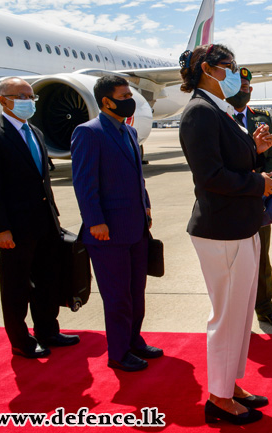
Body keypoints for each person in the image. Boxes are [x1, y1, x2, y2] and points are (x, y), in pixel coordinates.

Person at [178, 44, 272, 425]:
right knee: (226, 316)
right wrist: (258, 184)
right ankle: (217, 399)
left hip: (239, 227)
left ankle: (229, 384)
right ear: (208, 70)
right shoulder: (200, 113)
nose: (235, 73)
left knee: (239, 315)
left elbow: (227, 161)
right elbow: (210, 176)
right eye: (229, 66)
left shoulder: (219, 110)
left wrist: (255, 149)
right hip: (221, 231)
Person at [0, 77, 80, 358]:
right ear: (3, 100)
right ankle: (21, 341)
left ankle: (48, 330)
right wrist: (0, 229)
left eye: (31, 96)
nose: (29, 101)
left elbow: (42, 181)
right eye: (22, 96)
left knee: (48, 280)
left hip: (46, 222)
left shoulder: (35, 132)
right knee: (15, 286)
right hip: (15, 228)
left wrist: (55, 220)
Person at [71, 75, 162, 372]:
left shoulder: (130, 133)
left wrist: (146, 206)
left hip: (136, 227)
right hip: (107, 232)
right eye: (123, 95)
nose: (129, 100)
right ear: (107, 101)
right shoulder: (88, 133)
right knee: (117, 295)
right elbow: (85, 184)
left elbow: (138, 177)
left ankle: (134, 341)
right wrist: (95, 221)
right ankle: (118, 352)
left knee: (137, 291)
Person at [226, 67, 272, 328]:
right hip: (231, 198)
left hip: (258, 199)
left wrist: (265, 180)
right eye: (240, 86)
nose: (245, 90)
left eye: (248, 87)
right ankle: (234, 314)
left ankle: (264, 308)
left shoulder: (260, 117)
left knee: (262, 258)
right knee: (231, 261)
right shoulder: (220, 118)